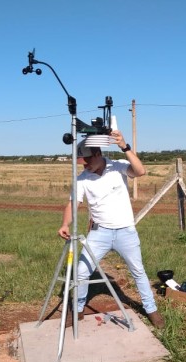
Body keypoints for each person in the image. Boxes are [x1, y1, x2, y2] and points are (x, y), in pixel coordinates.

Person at [57, 130, 165, 329]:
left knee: (138, 272)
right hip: (99, 234)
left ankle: (151, 310)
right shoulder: (82, 179)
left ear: (98, 154)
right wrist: (65, 224)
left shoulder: (118, 167)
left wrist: (124, 146)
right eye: (82, 161)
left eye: (87, 160)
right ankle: (78, 310)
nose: (85, 164)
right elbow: (73, 205)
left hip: (126, 232)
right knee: (81, 272)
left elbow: (140, 171)